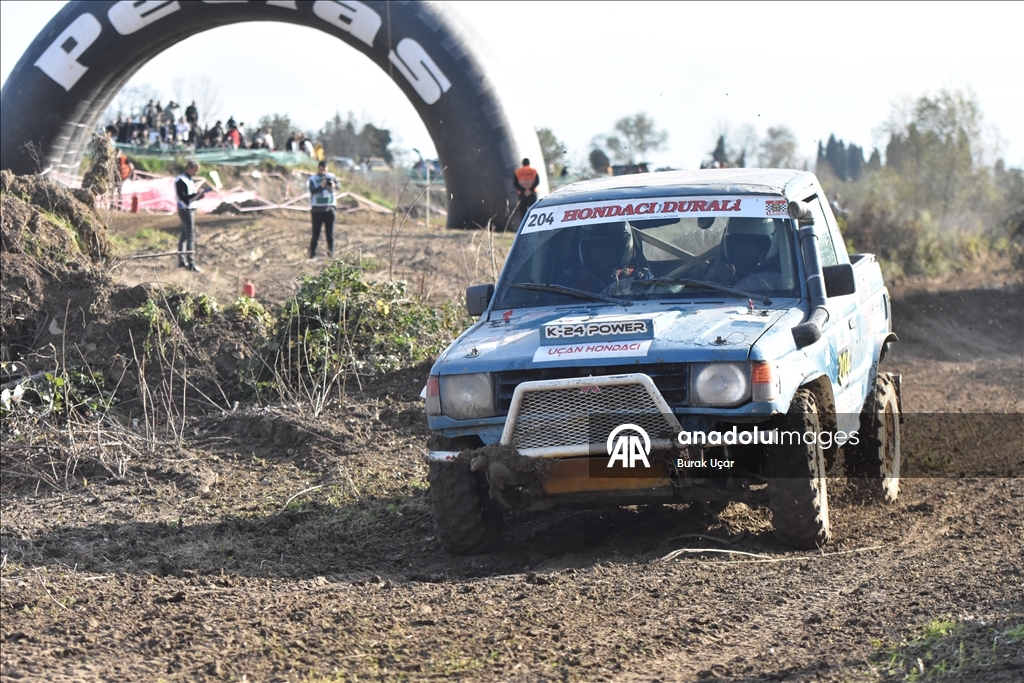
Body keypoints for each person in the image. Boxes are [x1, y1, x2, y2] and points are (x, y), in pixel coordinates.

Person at [706, 217, 784, 290]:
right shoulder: (720, 269)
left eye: (751, 245)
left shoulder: (781, 274)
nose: (744, 250)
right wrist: (715, 276)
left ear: (765, 247)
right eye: (739, 244)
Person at [175, 161, 207, 271]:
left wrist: (198, 196)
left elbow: (190, 197)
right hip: (185, 209)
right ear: (188, 168)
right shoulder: (181, 180)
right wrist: (196, 195)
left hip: (189, 208)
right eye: (194, 170)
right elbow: (183, 197)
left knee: (184, 236)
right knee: (190, 236)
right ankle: (191, 263)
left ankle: (182, 261)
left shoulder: (189, 180)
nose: (195, 173)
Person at [307, 161, 337, 258]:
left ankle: (331, 255)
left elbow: (339, 186)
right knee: (316, 234)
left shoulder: (332, 177)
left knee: (330, 234)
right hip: (317, 210)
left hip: (330, 209)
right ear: (318, 168)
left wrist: (333, 186)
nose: (323, 171)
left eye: (325, 169)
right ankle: (312, 255)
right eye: (321, 168)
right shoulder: (313, 179)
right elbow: (312, 190)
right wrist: (321, 186)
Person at [512, 157, 539, 227]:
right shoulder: (533, 171)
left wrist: (524, 190)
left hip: (522, 194)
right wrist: (530, 190)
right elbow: (537, 182)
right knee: (534, 210)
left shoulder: (518, 171)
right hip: (532, 194)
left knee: (523, 212)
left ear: (522, 164)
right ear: (529, 163)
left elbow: (515, 184)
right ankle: (535, 226)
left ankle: (524, 226)